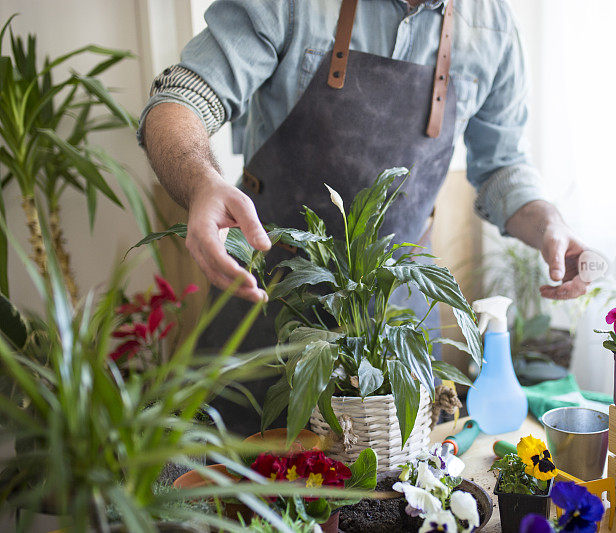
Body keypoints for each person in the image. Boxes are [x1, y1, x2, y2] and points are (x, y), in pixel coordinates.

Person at [138, 0, 589, 435]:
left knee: (399, 492)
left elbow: (502, 165)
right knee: (247, 484)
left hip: (397, 323)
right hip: (274, 301)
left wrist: (548, 221)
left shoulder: (492, 25)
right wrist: (201, 181)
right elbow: (181, 99)